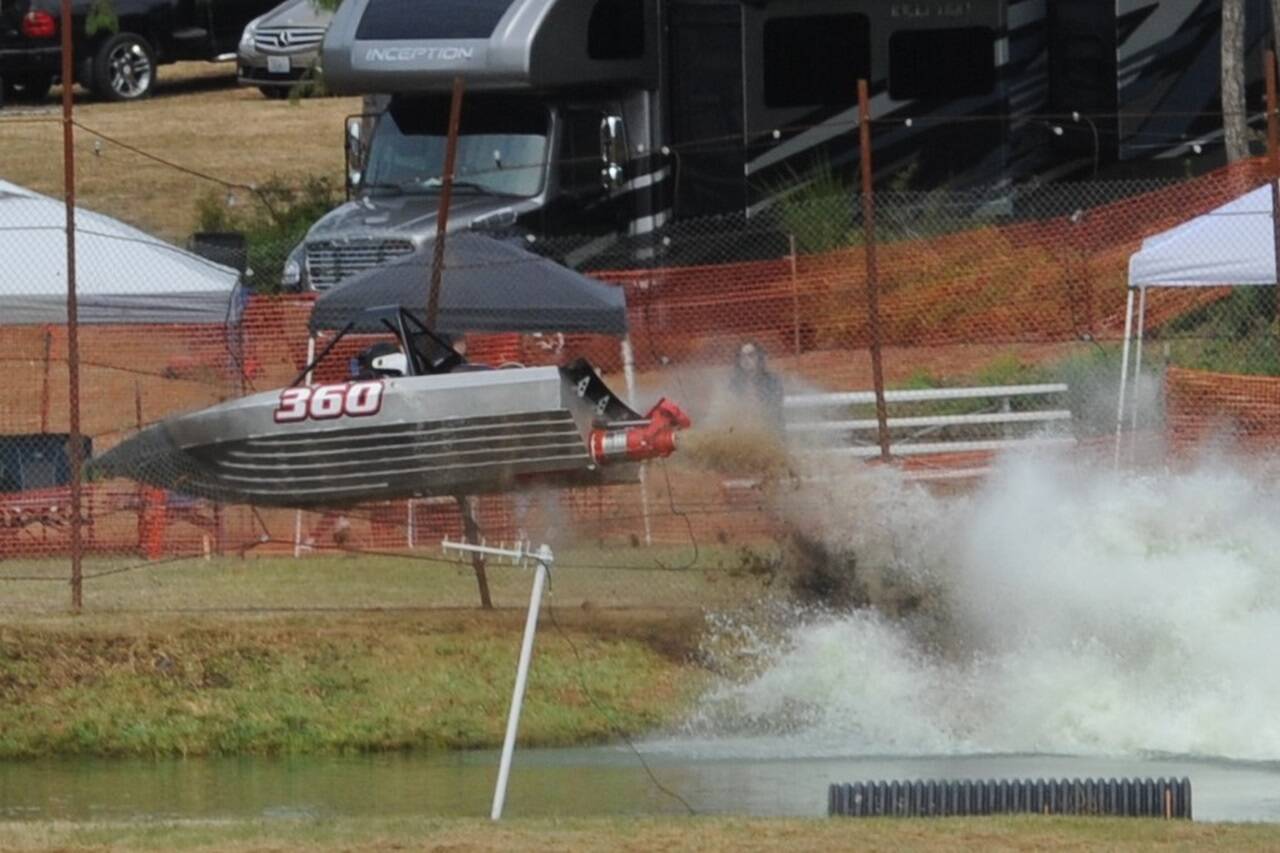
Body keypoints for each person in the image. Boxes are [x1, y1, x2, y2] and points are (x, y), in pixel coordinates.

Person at [729, 341, 785, 433]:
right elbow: (730, 411)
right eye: (742, 356)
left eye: (751, 355)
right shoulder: (734, 384)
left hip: (768, 431)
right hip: (741, 433)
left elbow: (774, 409)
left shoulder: (771, 381)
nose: (746, 359)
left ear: (759, 358)